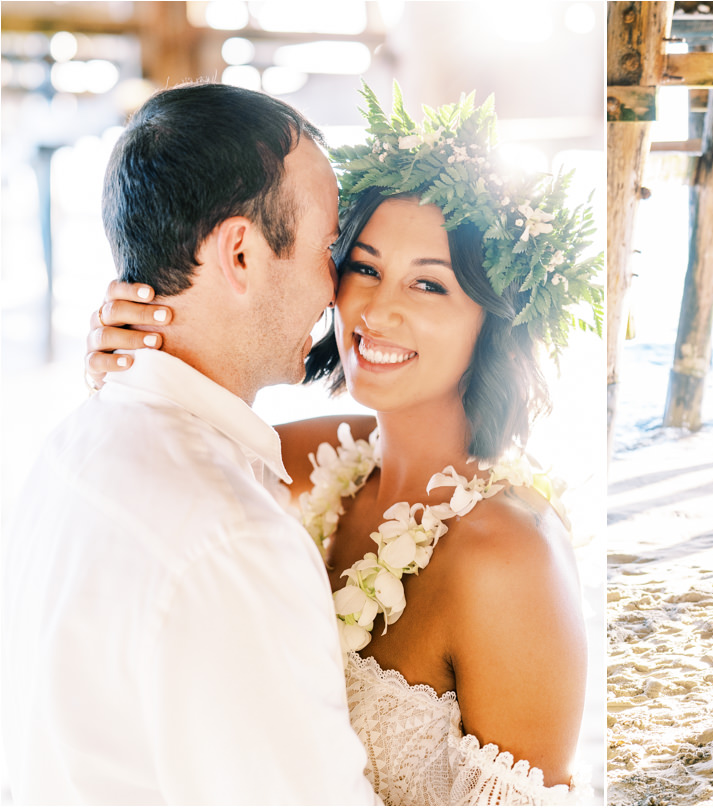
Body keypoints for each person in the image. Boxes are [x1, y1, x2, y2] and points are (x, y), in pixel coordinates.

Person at [87, 88, 600, 805]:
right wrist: (130, 353)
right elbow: (165, 451)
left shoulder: (509, 556)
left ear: (495, 322)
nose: (377, 309)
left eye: (428, 283)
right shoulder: (307, 459)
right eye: (361, 266)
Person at [1, 82, 379, 802]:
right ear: (240, 253)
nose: (336, 291)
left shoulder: (70, 447)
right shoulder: (233, 537)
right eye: (327, 248)